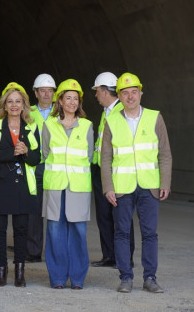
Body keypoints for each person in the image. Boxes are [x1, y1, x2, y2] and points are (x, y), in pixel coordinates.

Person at [101, 72, 172, 294]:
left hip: (149, 185)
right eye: (125, 93)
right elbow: (105, 158)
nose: (130, 96)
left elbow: (165, 153)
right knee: (121, 232)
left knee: (150, 233)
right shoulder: (111, 121)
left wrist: (165, 182)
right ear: (119, 96)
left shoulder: (155, 117)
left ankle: (150, 277)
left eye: (134, 92)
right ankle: (126, 278)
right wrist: (108, 187)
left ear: (141, 92)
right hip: (121, 187)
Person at [0, 82, 41, 287]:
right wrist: (13, 152)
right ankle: (1, 271)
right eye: (10, 101)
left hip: (22, 183)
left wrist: (26, 152)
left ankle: (20, 272)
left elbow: (36, 159)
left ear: (24, 105)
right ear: (4, 106)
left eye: (18, 101)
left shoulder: (32, 128)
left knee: (21, 229)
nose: (14, 105)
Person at [42, 79, 93, 290]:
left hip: (78, 187)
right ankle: (58, 278)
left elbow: (89, 157)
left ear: (79, 102)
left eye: (76, 98)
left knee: (79, 231)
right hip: (55, 186)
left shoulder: (87, 125)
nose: (72, 102)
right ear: (60, 101)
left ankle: (78, 278)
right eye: (68, 98)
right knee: (55, 230)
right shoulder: (49, 125)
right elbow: (45, 154)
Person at [90, 72, 135, 268]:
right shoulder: (106, 112)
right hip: (101, 170)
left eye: (97, 91)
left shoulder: (122, 111)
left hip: (116, 172)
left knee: (121, 217)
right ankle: (109, 256)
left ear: (104, 90)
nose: (95, 95)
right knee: (104, 215)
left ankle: (125, 258)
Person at [27, 73, 57, 263]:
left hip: (55, 168)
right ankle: (33, 251)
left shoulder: (62, 112)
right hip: (34, 167)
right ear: (36, 93)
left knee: (55, 212)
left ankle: (54, 252)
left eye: (50, 91)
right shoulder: (27, 113)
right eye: (43, 91)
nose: (46, 94)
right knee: (34, 211)